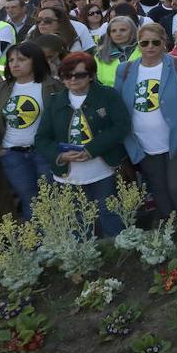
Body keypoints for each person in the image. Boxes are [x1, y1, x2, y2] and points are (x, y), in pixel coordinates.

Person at [115, 22, 177, 223]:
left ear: (164, 43)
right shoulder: (125, 69)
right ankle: (169, 224)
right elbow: (118, 105)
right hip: (143, 142)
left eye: (155, 42)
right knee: (158, 185)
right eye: (144, 42)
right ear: (138, 44)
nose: (150, 46)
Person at [33, 53, 129, 236]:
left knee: (109, 213)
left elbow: (121, 127)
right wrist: (59, 155)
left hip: (103, 169)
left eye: (80, 75)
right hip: (68, 174)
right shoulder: (55, 101)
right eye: (67, 75)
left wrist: (91, 150)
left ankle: (119, 255)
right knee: (77, 219)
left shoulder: (108, 95)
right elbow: (42, 139)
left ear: (91, 75)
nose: (73, 80)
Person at [0, 42, 62, 220]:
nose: (15, 64)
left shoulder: (53, 86)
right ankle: (38, 243)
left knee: (53, 199)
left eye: (21, 59)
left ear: (35, 61)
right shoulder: (2, 88)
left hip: (43, 152)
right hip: (12, 154)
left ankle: (60, 241)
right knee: (29, 200)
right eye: (11, 60)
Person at [91, 16, 141, 87]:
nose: (118, 34)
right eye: (113, 31)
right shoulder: (100, 55)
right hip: (110, 95)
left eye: (123, 30)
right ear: (109, 34)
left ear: (132, 31)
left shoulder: (144, 49)